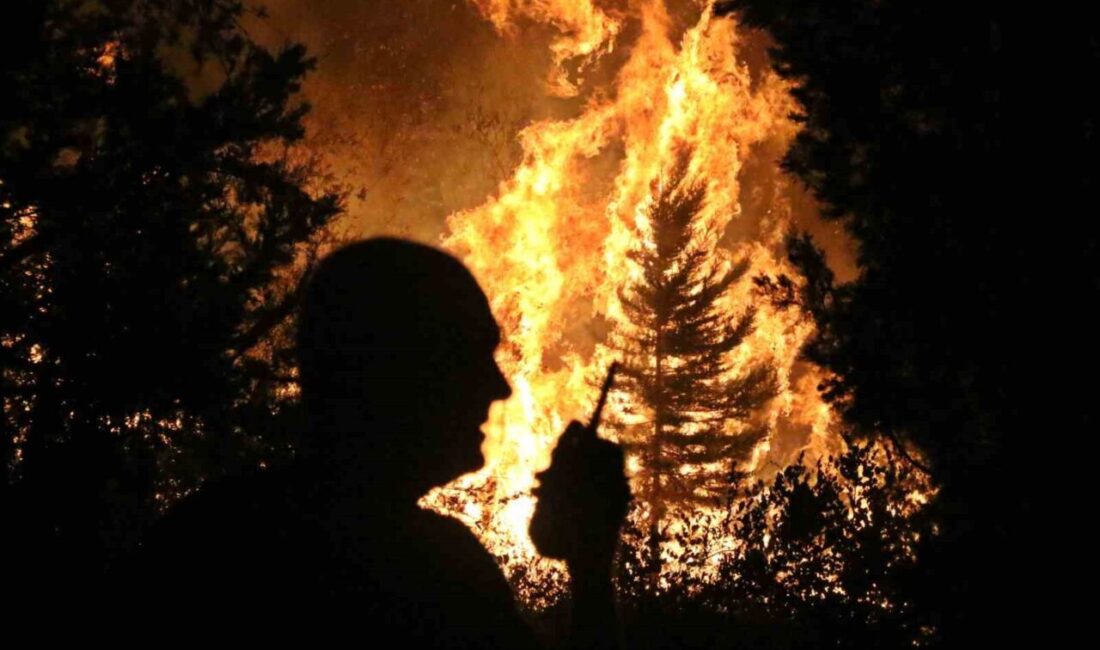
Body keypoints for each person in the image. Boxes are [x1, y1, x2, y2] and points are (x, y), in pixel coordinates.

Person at [121, 237, 630, 647]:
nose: (497, 387)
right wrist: (589, 569)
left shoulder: (210, 531)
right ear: (395, 370)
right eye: (467, 355)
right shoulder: (431, 569)